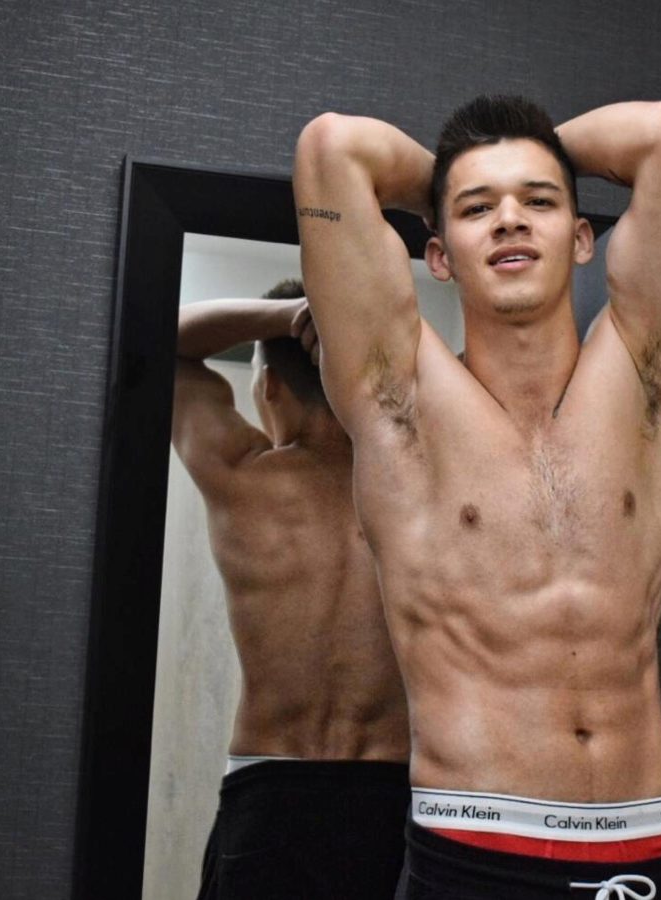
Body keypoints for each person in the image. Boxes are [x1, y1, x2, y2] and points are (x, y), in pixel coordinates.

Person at [293, 95, 661, 899]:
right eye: (478, 210)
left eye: (540, 203)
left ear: (583, 239)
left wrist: (499, 175)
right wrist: (467, 177)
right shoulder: (398, 401)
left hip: (648, 848)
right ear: (439, 254)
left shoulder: (646, 378)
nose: (511, 219)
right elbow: (332, 148)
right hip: (477, 852)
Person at [172, 278, 411, 900]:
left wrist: (287, 316)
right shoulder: (419, 489)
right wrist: (356, 333)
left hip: (269, 797)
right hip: (389, 799)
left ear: (269, 386)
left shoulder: (240, 478)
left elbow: (162, 338)